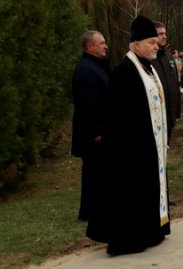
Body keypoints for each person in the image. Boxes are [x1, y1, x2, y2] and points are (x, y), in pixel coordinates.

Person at [86, 16, 170, 255]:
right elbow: (118, 115)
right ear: (136, 44)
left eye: (156, 41)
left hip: (150, 143)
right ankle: (131, 238)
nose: (156, 46)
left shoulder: (148, 67)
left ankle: (152, 230)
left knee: (150, 188)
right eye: (151, 42)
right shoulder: (125, 71)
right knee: (132, 193)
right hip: (131, 147)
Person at [71, 30, 110, 222]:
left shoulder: (97, 66)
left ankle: (97, 207)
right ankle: (89, 211)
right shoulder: (86, 70)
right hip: (93, 133)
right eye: (101, 43)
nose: (105, 46)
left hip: (99, 129)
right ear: (89, 47)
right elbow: (88, 103)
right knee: (93, 171)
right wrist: (98, 131)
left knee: (99, 171)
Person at [152, 21, 181, 143]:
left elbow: (175, 85)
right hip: (156, 117)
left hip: (169, 116)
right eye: (160, 34)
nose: (164, 36)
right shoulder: (149, 58)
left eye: (165, 33)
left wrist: (177, 112)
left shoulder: (169, 56)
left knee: (166, 147)